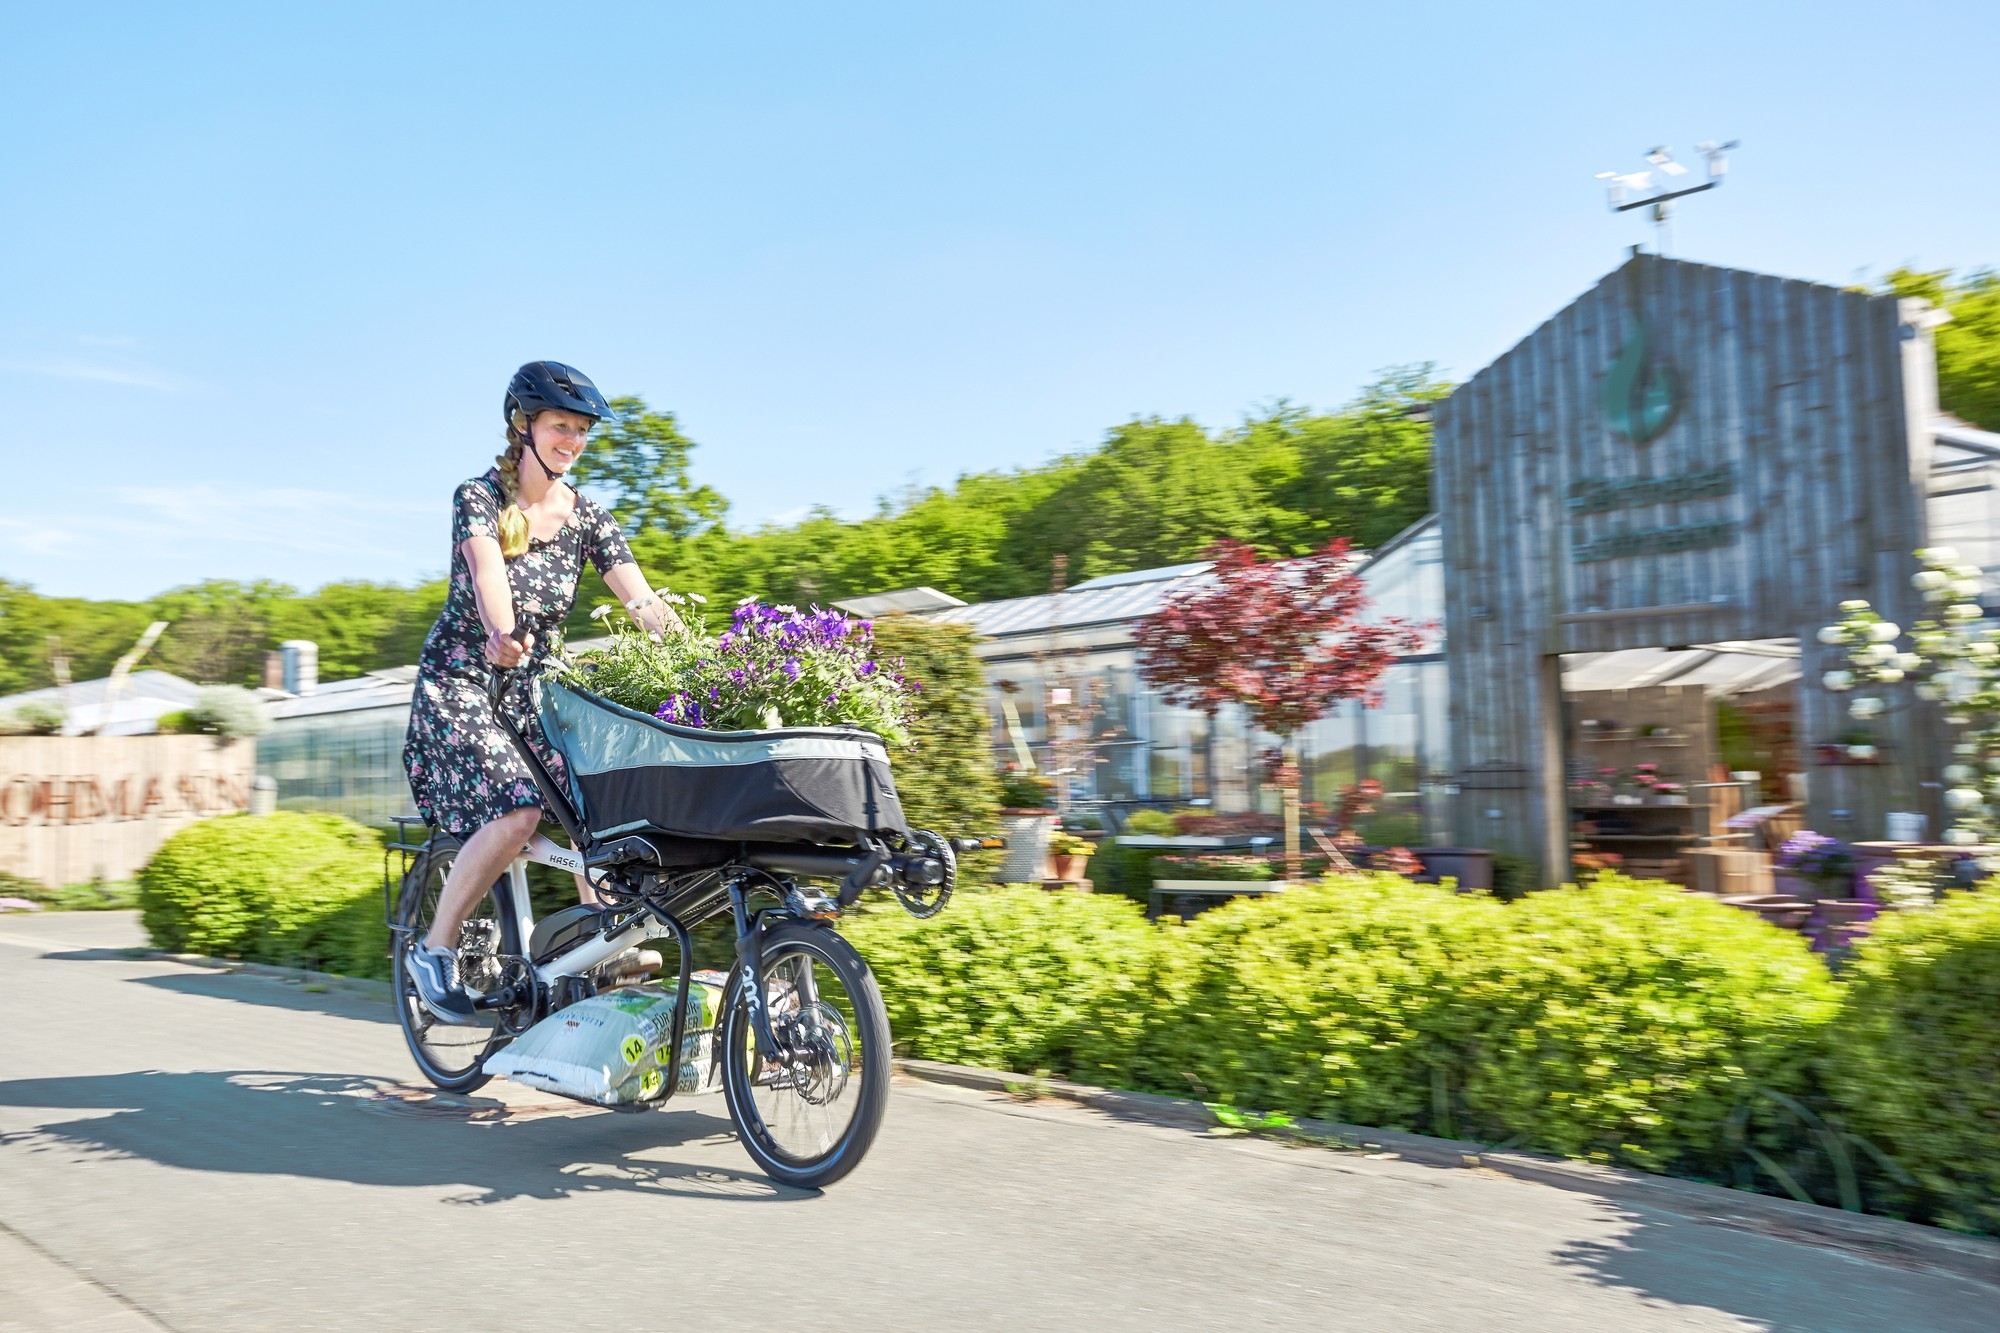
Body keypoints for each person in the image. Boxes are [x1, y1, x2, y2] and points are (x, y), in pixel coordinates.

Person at [402, 361, 673, 1023]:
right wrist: (502, 632)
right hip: (462, 685)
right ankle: (434, 950)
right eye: (561, 425)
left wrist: (699, 658)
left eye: (581, 430)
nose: (572, 440)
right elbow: (488, 570)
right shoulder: (480, 496)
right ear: (523, 425)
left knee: (605, 796)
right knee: (521, 812)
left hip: (534, 695)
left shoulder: (589, 519)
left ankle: (600, 937)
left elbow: (641, 600)